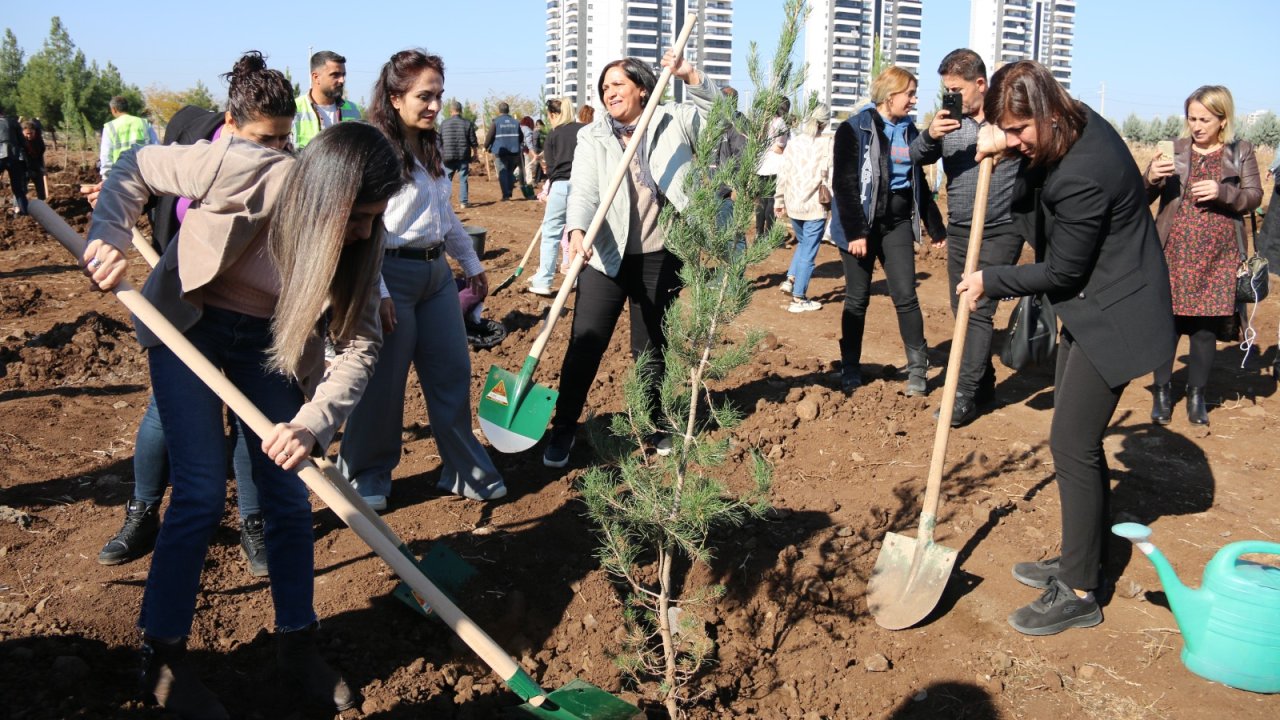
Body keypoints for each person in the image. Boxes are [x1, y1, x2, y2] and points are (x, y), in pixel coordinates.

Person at [84, 59, 402, 715]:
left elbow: (363, 342)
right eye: (359, 217)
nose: (367, 231)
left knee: (289, 492)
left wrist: (312, 423)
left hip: (272, 346)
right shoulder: (246, 167)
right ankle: (162, 656)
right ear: (326, 194)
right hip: (191, 328)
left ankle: (297, 643)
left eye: (375, 218)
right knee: (199, 490)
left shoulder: (362, 242)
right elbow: (137, 167)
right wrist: (108, 235)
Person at [956, 60, 1177, 636]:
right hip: (1096, 305)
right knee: (1079, 444)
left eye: (1019, 130)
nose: (1014, 141)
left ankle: (1081, 590)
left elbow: (1060, 269)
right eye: (1005, 129)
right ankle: (1081, 557)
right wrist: (1006, 147)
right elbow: (1034, 197)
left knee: (1072, 444)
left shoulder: (1086, 171)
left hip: (1117, 315)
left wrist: (989, 280)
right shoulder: (1070, 125)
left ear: (1046, 113)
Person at [96, 74, 295, 575]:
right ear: (230, 126)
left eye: (282, 139)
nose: (274, 151)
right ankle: (142, 511)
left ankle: (253, 523)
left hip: (258, 324)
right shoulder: (211, 158)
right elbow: (133, 170)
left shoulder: (290, 172)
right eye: (263, 139)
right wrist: (109, 235)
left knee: (256, 425)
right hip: (192, 316)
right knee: (164, 418)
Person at [337, 49, 506, 511]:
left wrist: (469, 263)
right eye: (424, 96)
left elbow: (443, 212)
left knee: (453, 372)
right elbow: (364, 228)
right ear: (394, 98)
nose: (434, 105)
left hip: (435, 276)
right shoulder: (374, 148)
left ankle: (462, 468)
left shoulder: (430, 145)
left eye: (438, 96)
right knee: (384, 383)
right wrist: (380, 291)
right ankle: (367, 473)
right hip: (389, 272)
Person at [541, 50, 718, 468]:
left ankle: (654, 420)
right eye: (604, 88)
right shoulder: (593, 136)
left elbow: (719, 114)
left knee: (652, 346)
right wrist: (578, 231)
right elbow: (583, 190)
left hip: (661, 253)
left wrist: (689, 74)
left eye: (618, 84)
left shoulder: (673, 119)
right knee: (586, 344)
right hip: (606, 256)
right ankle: (564, 426)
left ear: (643, 88)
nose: (609, 93)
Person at [911, 48, 1028, 426]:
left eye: (957, 89)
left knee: (977, 306)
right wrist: (931, 135)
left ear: (981, 84)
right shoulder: (949, 122)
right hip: (962, 225)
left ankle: (962, 394)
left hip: (1002, 226)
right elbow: (916, 156)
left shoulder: (1007, 118)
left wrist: (1007, 140)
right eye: (946, 89)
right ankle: (984, 384)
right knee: (959, 305)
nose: (951, 96)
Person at [1143, 86, 1262, 426]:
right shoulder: (1173, 150)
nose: (1196, 126)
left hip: (1218, 256)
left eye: (1204, 119)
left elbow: (1254, 196)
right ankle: (1162, 392)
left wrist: (1223, 192)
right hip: (1173, 251)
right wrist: (1151, 177)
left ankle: (1197, 396)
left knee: (1205, 329)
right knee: (1167, 325)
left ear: (1223, 119)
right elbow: (1141, 194)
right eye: (1192, 118)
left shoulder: (1241, 151)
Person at [831, 66, 944, 397]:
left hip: (896, 224)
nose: (913, 100)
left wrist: (934, 224)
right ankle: (850, 366)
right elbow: (845, 184)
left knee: (906, 295)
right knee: (857, 298)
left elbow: (917, 181)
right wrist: (855, 232)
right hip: (860, 224)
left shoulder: (910, 131)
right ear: (890, 95)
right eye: (909, 93)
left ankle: (918, 369)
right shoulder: (855, 129)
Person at [774, 102, 833, 313]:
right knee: (809, 251)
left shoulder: (794, 143)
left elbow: (783, 173)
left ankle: (790, 279)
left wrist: (779, 201)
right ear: (824, 123)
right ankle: (799, 298)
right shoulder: (828, 145)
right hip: (815, 206)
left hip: (793, 204)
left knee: (803, 244)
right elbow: (833, 176)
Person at [529, 96, 584, 296]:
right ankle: (576, 277)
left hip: (560, 186)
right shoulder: (584, 130)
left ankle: (544, 280)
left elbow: (551, 169)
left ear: (553, 115)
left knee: (551, 232)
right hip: (582, 187)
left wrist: (547, 192)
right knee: (578, 232)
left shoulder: (553, 135)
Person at [291, 50, 363, 150]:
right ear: (316, 77)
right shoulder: (294, 109)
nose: (342, 80)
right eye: (335, 75)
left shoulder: (353, 110)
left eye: (343, 75)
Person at [755, 97, 791, 238]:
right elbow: (779, 148)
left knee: (761, 200)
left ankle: (759, 233)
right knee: (771, 200)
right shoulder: (780, 123)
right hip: (774, 166)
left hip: (761, 165)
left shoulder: (763, 121)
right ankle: (769, 234)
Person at [99, 95, 158, 179]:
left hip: (121, 174)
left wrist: (106, 176)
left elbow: (106, 155)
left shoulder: (110, 127)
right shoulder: (144, 123)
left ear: (114, 109)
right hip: (144, 174)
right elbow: (156, 148)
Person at [439, 100, 478, 209]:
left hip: (447, 157)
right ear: (461, 111)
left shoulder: (444, 124)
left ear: (451, 111)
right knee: (463, 179)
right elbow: (473, 141)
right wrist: (475, 154)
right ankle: (463, 202)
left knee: (447, 179)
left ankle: (445, 201)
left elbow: (439, 140)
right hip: (463, 156)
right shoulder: (467, 123)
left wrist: (439, 154)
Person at [485, 102, 522, 201]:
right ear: (508, 110)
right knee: (510, 172)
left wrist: (486, 146)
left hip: (500, 152)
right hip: (514, 152)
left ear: (499, 111)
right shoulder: (516, 122)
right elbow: (521, 138)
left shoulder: (496, 122)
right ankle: (509, 192)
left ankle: (506, 195)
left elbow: (490, 136)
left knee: (502, 172)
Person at [0, 106, 27, 216]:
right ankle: (24, 212)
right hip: (15, 157)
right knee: (18, 188)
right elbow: (22, 142)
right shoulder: (14, 122)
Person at [20, 120, 46, 201]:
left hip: (36, 166)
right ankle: (19, 207)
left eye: (31, 133)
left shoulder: (39, 141)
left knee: (40, 187)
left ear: (34, 132)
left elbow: (40, 154)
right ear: (22, 132)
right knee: (21, 188)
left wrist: (41, 167)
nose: (29, 136)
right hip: (23, 167)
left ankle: (42, 203)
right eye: (27, 134)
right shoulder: (19, 142)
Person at [519, 115, 538, 197]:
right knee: (528, 167)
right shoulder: (528, 130)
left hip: (515, 151)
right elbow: (529, 143)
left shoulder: (519, 127)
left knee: (520, 168)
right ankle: (530, 185)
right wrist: (534, 154)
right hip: (523, 151)